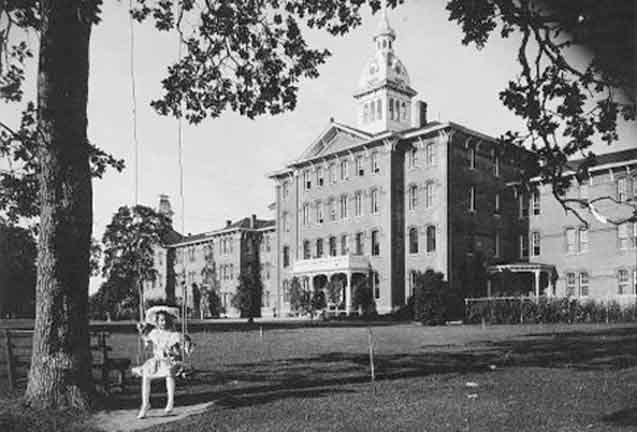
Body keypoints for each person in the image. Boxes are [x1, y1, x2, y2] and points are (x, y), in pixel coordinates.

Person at [132, 308, 182, 419]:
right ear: (157, 322)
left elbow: (176, 350)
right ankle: (145, 404)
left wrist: (171, 351)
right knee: (146, 376)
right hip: (156, 360)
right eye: (160, 320)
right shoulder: (154, 333)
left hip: (168, 360)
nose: (162, 323)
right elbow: (146, 339)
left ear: (168, 321)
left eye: (164, 320)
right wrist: (141, 330)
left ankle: (170, 401)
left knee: (169, 374)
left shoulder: (173, 334)